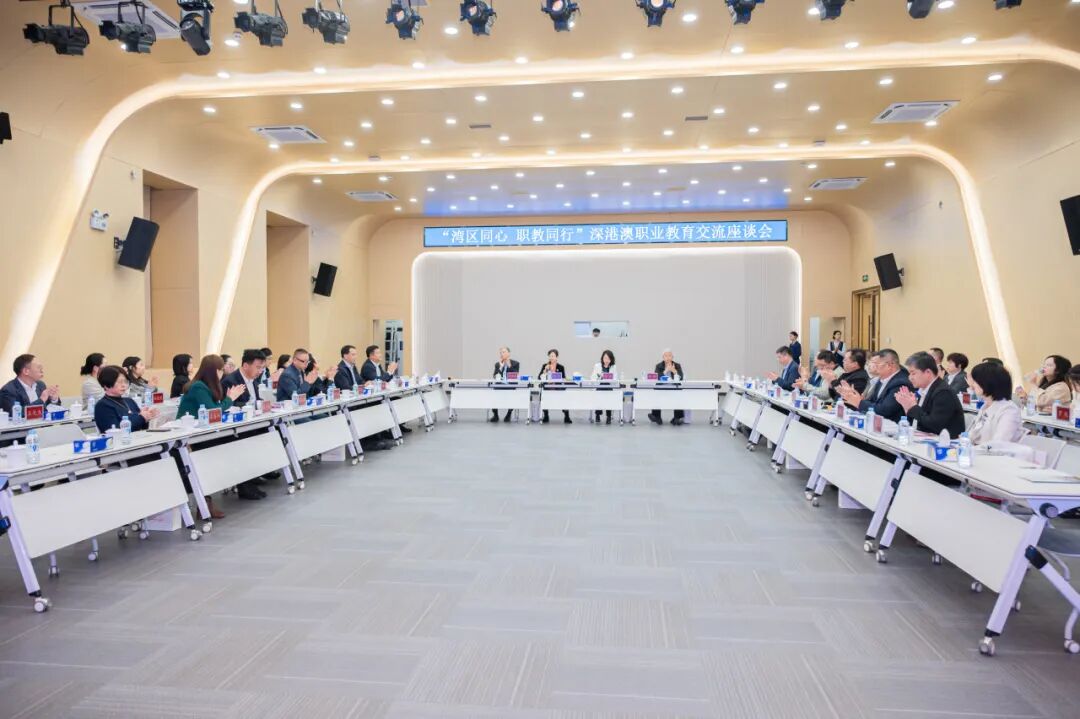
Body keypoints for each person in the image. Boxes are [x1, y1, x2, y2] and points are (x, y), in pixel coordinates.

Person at [177, 355, 245, 519]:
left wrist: (226, 400)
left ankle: (210, 496)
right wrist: (230, 398)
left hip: (202, 431)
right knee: (221, 447)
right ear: (214, 371)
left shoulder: (206, 386)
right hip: (190, 434)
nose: (222, 374)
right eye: (221, 370)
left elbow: (216, 407)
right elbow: (213, 411)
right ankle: (205, 501)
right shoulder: (198, 387)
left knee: (233, 441)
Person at [221, 349, 272, 500]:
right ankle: (245, 484)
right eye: (258, 367)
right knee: (248, 443)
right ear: (245, 365)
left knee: (272, 431)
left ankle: (258, 473)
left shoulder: (253, 380)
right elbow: (229, 404)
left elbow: (255, 400)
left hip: (252, 422)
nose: (260, 371)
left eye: (262, 368)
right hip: (237, 427)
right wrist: (252, 406)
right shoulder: (230, 381)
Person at [895, 351, 966, 438]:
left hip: (945, 442)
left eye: (913, 373)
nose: (910, 377)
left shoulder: (943, 392)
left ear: (928, 372)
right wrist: (907, 408)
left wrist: (912, 407)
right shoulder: (924, 389)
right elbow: (917, 422)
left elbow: (934, 425)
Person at [837, 348, 913, 422]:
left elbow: (885, 410)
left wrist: (859, 402)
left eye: (877, 364)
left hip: (893, 426)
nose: (875, 367)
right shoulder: (882, 379)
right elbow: (872, 402)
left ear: (889, 365)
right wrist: (854, 396)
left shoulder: (900, 382)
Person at [967, 361, 1024, 445]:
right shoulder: (986, 406)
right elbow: (973, 436)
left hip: (995, 453)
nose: (972, 384)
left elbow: (998, 444)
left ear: (987, 382)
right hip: (979, 450)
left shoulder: (1009, 410)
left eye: (975, 381)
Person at [93, 365, 159, 434]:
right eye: (119, 382)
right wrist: (141, 417)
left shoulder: (129, 401)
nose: (123, 385)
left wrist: (148, 416)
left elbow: (142, 427)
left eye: (125, 381)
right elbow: (114, 431)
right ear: (106, 385)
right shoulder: (102, 406)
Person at [360, 345, 411, 432]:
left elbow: (385, 379)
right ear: (371, 355)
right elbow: (377, 381)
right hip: (372, 397)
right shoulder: (368, 366)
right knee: (392, 402)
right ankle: (388, 429)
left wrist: (391, 373)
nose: (381, 355)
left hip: (380, 394)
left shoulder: (377, 365)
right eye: (378, 353)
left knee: (398, 400)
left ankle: (398, 425)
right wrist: (389, 371)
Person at [648, 349, 685, 426]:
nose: (668, 357)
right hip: (662, 387)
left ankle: (677, 418)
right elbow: (657, 377)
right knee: (656, 394)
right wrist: (666, 371)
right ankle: (656, 417)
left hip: (674, 387)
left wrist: (674, 371)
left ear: (672, 357)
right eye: (666, 356)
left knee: (679, 395)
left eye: (669, 355)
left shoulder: (677, 365)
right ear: (663, 357)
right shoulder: (658, 366)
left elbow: (681, 377)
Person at [539, 349, 572, 424]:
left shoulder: (561, 367)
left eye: (553, 356)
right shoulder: (545, 366)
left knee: (564, 396)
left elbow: (563, 378)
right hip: (547, 387)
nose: (551, 358)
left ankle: (567, 416)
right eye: (550, 356)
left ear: (557, 357)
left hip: (558, 387)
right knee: (543, 394)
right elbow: (539, 377)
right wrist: (545, 370)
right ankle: (546, 416)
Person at [491, 346, 520, 422]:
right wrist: (500, 367)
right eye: (500, 353)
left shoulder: (515, 363)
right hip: (500, 386)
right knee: (493, 394)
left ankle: (508, 414)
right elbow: (495, 376)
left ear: (508, 353)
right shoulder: (497, 364)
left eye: (503, 352)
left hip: (510, 386)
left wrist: (509, 366)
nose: (502, 354)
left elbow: (515, 375)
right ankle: (495, 415)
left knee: (512, 396)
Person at [591, 349, 618, 424]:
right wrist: (599, 377)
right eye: (605, 358)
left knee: (609, 399)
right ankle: (597, 415)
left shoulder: (613, 367)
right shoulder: (597, 366)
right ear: (602, 358)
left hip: (609, 386)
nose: (606, 360)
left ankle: (608, 416)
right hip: (599, 386)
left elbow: (615, 378)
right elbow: (592, 377)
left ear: (611, 359)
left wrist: (610, 378)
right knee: (599, 398)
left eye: (608, 359)